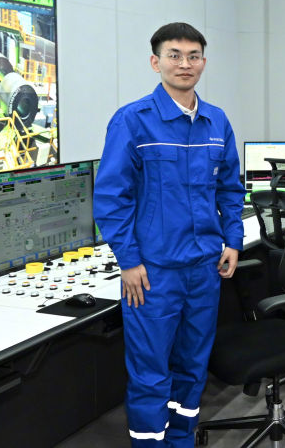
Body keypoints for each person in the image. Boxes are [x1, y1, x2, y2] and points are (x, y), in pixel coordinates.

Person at [93, 22, 245, 447]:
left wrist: (232, 240)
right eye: (174, 55)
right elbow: (111, 198)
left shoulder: (217, 122)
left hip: (204, 268)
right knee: (150, 372)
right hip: (153, 273)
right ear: (155, 62)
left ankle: (180, 439)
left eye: (193, 56)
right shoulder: (133, 121)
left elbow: (230, 188)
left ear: (203, 63)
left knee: (193, 367)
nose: (184, 64)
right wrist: (128, 261)